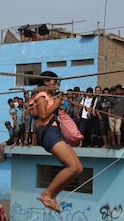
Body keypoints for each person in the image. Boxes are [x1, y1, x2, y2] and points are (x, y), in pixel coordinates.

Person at [34, 71, 83, 213]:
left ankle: (52, 196)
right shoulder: (41, 96)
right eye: (54, 82)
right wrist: (56, 103)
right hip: (48, 132)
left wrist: (58, 102)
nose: (55, 85)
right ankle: (47, 194)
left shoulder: (49, 96)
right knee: (72, 167)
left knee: (78, 168)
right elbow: (43, 115)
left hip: (55, 132)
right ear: (46, 82)